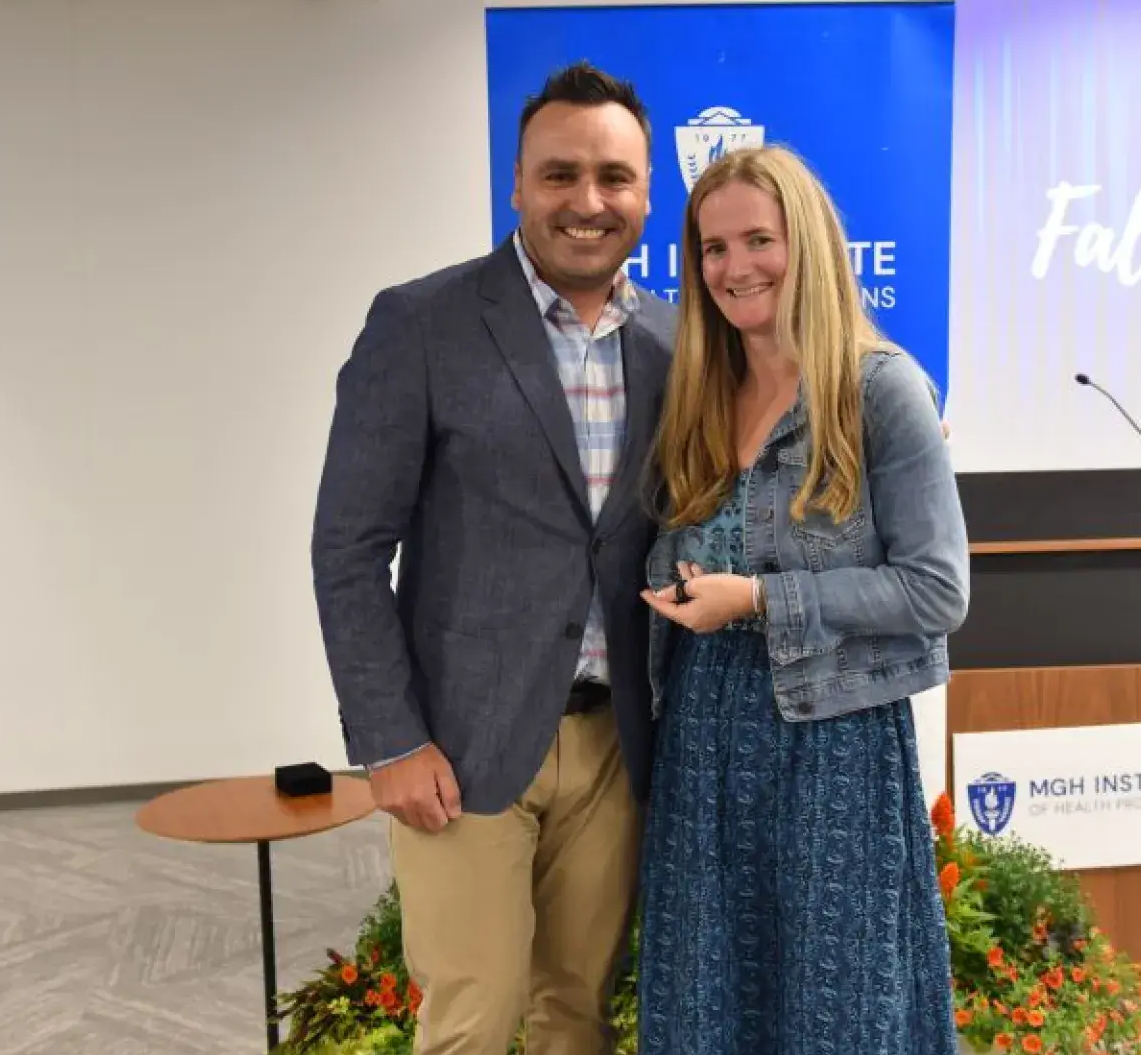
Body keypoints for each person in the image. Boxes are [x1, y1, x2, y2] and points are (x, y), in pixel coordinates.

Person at [310, 62, 676, 1055]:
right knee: (470, 1021)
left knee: (579, 1017)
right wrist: (390, 741)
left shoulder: (677, 344)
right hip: (461, 748)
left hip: (616, 749)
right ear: (516, 185)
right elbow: (348, 548)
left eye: (614, 178)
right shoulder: (421, 324)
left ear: (647, 193)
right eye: (560, 175)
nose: (588, 202)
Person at [634, 144, 968, 1055]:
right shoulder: (699, 390)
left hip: (835, 746)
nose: (736, 268)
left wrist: (758, 601)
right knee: (709, 1002)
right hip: (702, 736)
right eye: (712, 249)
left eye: (758, 239)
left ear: (808, 244)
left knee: (837, 1014)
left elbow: (938, 590)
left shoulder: (881, 390)